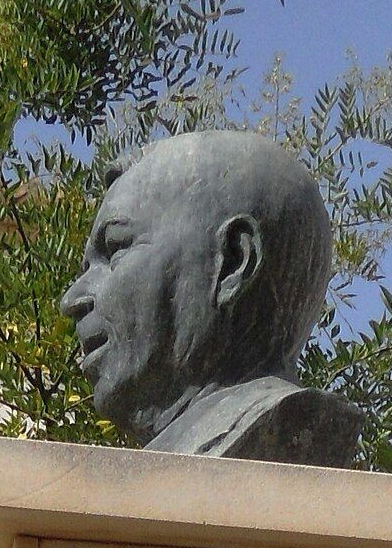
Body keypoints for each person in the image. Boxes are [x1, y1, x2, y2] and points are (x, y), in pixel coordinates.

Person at [61, 130, 364, 465]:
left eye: (116, 247)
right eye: (87, 266)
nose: (72, 299)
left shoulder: (270, 431)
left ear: (233, 261)